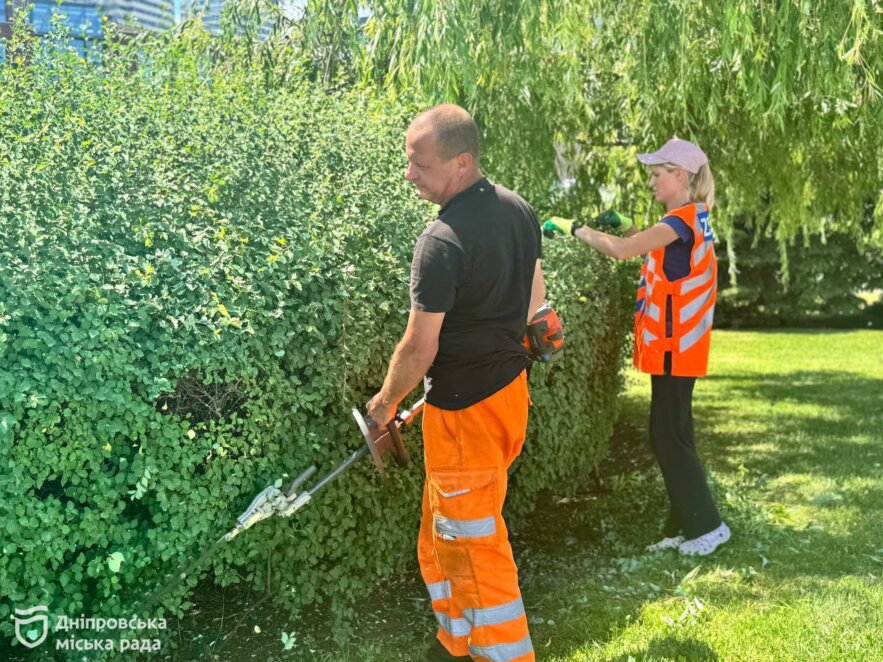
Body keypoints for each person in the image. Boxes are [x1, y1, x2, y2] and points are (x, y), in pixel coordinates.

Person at [366, 104, 543, 662]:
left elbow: (420, 347)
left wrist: (382, 405)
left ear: (461, 163)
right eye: (406, 161)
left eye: (418, 164)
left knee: (476, 552)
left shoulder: (441, 241)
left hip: (468, 415)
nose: (407, 173)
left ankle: (505, 654)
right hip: (506, 399)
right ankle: (457, 643)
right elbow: (535, 302)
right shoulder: (518, 209)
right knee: (443, 537)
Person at [543, 138, 731, 557]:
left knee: (667, 436)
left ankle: (709, 527)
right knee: (675, 433)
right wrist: (628, 223)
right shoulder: (690, 220)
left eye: (657, 174)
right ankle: (685, 525)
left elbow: (627, 252)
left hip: (673, 345)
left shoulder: (679, 221)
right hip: (681, 346)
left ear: (679, 175)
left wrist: (573, 227)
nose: (651, 182)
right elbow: (655, 254)